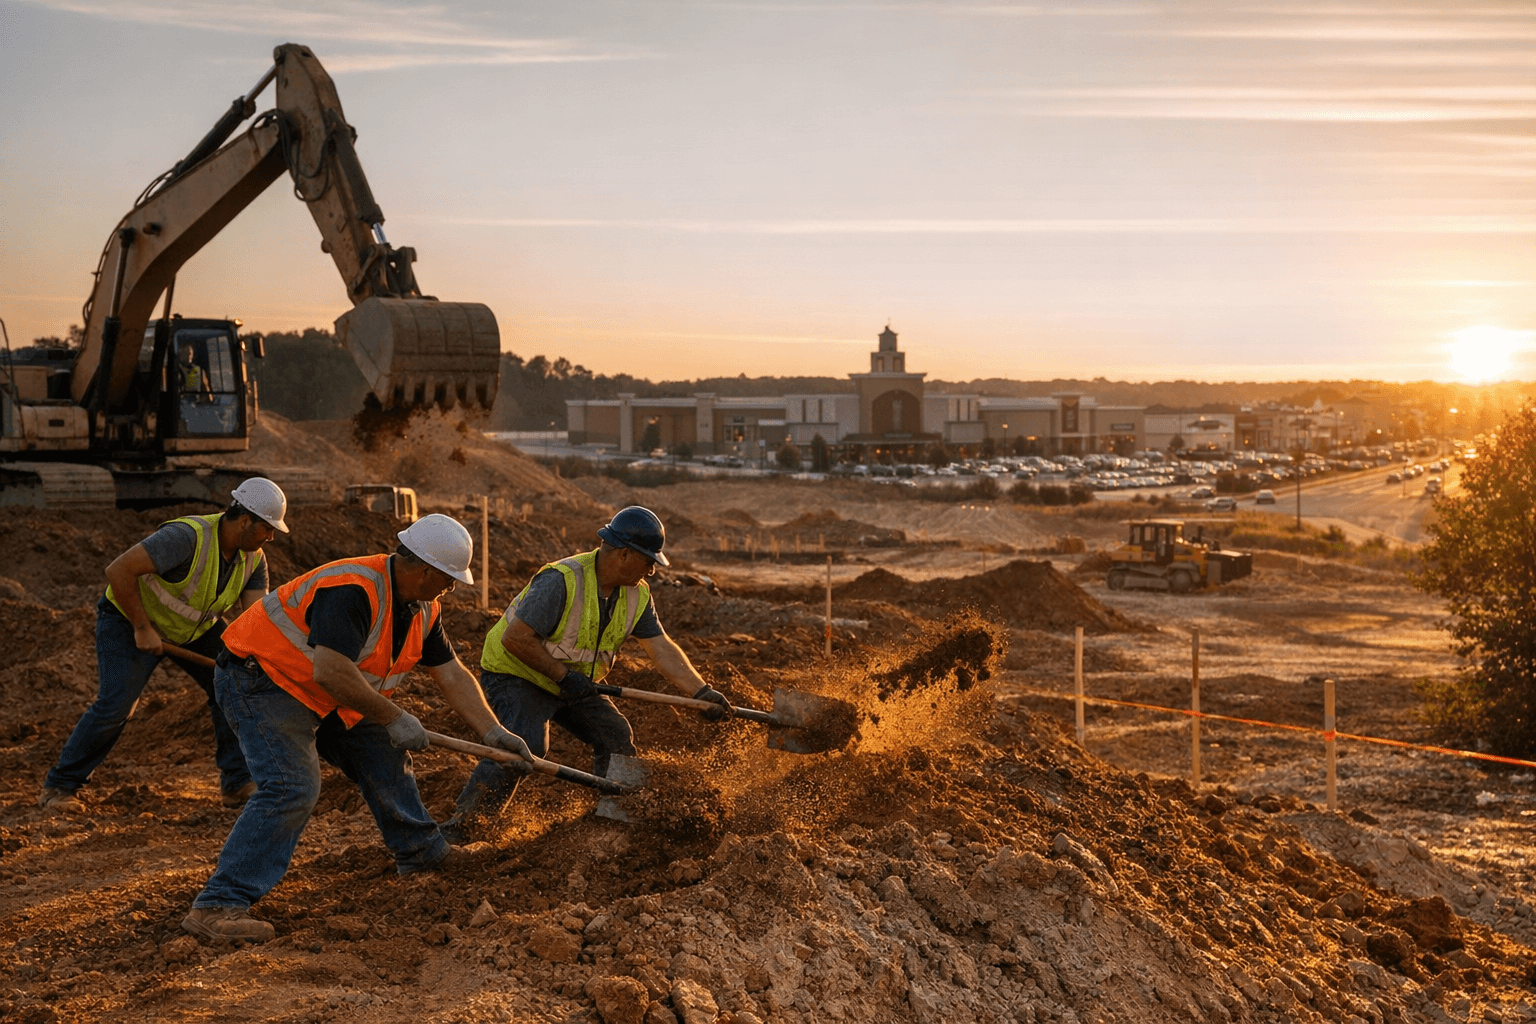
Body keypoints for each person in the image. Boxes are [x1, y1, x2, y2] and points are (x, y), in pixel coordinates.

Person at [181, 514, 532, 944]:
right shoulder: (354, 588)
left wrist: (492, 731)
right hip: (264, 679)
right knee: (292, 786)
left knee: (383, 752)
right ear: (423, 569)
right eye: (448, 578)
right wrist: (394, 716)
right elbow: (330, 669)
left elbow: (452, 673)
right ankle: (218, 904)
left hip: (324, 691)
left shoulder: (424, 607)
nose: (452, 588)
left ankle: (422, 855)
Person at [442, 506, 732, 843]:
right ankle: (463, 828)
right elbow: (516, 639)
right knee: (526, 743)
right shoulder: (562, 580)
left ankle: (614, 821)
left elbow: (661, 648)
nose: (652, 571)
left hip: (572, 681)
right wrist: (563, 677)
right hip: (517, 672)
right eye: (649, 561)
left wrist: (700, 693)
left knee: (614, 733)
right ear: (624, 554)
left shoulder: (636, 595)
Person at [38, 478, 289, 814]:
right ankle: (60, 786)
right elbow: (119, 570)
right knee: (117, 705)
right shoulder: (186, 537)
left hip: (195, 630)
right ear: (245, 521)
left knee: (231, 684)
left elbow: (257, 618)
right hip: (129, 619)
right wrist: (142, 628)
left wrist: (274, 659)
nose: (271, 537)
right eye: (267, 528)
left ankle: (237, 783)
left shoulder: (253, 560)